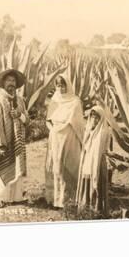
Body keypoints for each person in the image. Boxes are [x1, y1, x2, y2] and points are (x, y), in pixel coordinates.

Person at [0, 69, 30, 207]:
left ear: (16, 84)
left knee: (17, 167)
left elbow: (27, 119)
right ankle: (1, 197)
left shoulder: (21, 101)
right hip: (4, 141)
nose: (11, 83)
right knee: (3, 167)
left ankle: (16, 197)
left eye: (13, 81)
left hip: (18, 141)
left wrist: (19, 115)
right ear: (3, 83)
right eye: (8, 81)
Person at [45, 75, 85, 208]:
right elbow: (48, 120)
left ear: (67, 85)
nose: (60, 88)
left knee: (69, 166)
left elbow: (78, 123)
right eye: (58, 85)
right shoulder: (54, 100)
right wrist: (52, 130)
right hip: (55, 138)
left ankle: (69, 200)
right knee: (57, 167)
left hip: (69, 137)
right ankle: (56, 200)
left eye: (63, 85)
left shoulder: (75, 101)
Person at [76, 106, 110, 215]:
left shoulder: (103, 131)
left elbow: (101, 150)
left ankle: (97, 210)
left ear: (101, 119)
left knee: (97, 185)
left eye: (97, 118)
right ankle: (85, 208)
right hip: (88, 161)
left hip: (98, 163)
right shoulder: (89, 130)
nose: (94, 120)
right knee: (87, 183)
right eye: (92, 117)